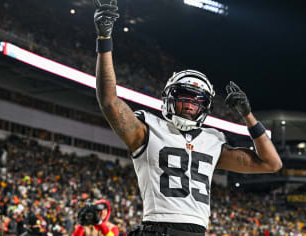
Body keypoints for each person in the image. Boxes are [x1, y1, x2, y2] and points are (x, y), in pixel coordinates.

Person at [93, 0, 282, 235]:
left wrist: (248, 116)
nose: (191, 104)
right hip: (158, 227)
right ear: (170, 97)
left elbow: (272, 163)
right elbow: (109, 101)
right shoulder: (148, 129)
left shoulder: (213, 141)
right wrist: (105, 39)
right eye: (185, 96)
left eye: (198, 100)